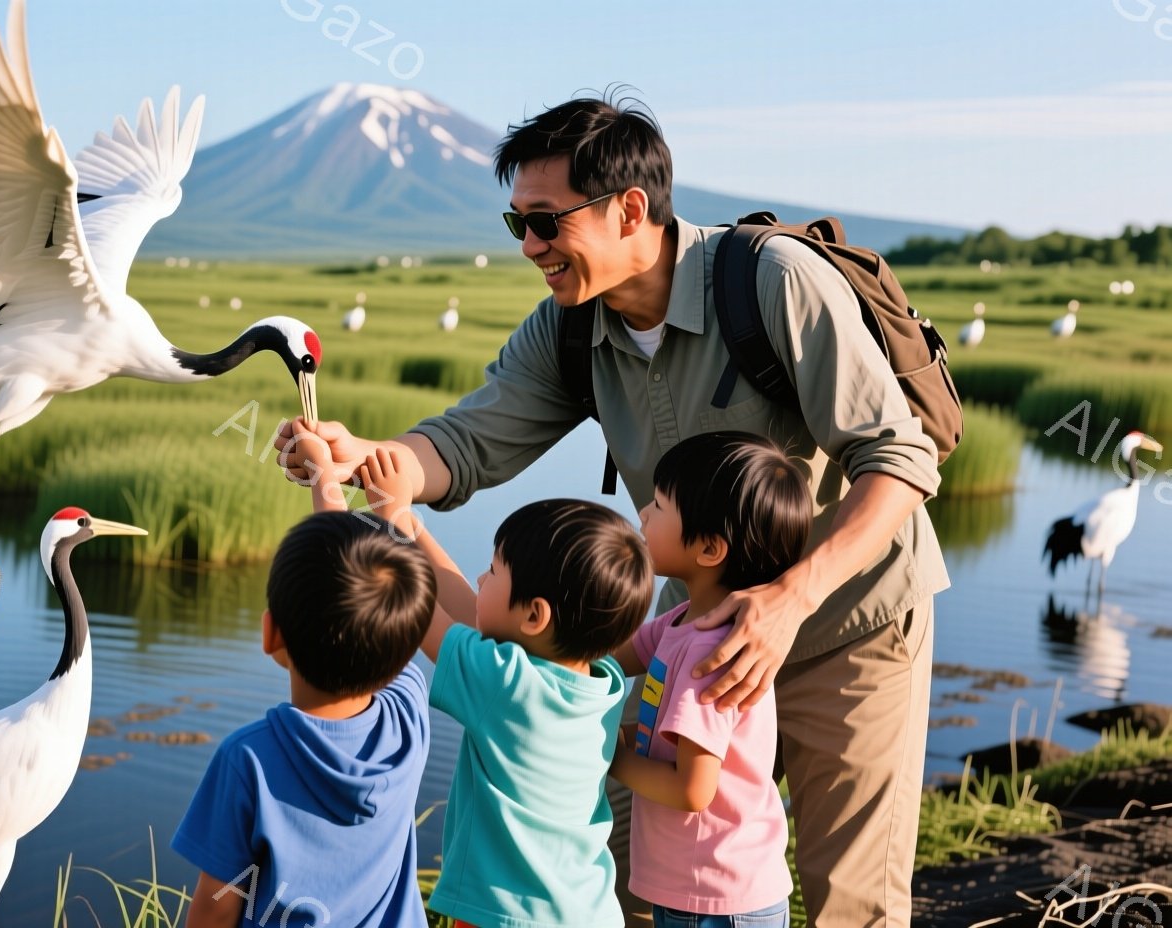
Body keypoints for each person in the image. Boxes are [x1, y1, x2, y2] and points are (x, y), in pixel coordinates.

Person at [275, 92, 948, 927]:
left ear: (631, 209)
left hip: (851, 622)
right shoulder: (565, 329)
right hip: (691, 636)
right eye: (515, 223)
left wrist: (790, 600)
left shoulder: (772, 282)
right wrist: (372, 462)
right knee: (633, 880)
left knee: (850, 905)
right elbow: (470, 440)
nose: (530, 247)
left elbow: (900, 458)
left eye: (547, 223)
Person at [297, 426, 652, 928]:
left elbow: (405, 600)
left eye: (492, 570)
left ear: (534, 617)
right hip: (586, 911)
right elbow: (467, 610)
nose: (480, 578)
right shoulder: (603, 682)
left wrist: (327, 486)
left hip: (506, 917)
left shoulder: (505, 686)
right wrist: (401, 519)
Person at [171, 510, 437, 928]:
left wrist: (324, 482)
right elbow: (366, 606)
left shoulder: (248, 760)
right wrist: (327, 484)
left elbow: (217, 907)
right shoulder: (409, 717)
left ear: (270, 633)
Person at [610, 431, 812, 928]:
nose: (643, 514)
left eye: (658, 505)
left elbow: (693, 790)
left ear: (708, 549)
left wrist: (612, 756)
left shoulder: (712, 655)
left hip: (718, 901)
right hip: (698, 887)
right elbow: (618, 654)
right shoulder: (684, 620)